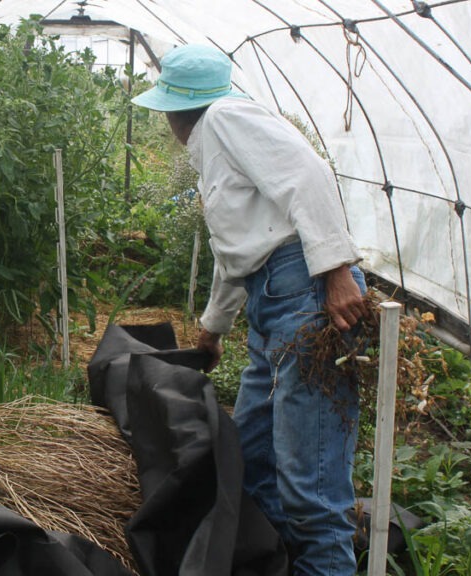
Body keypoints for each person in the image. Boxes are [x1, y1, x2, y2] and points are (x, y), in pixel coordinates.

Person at [132, 44, 370, 575]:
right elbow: (237, 250)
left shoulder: (226, 116)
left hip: (305, 299)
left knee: (311, 490)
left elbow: (308, 175)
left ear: (174, 110)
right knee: (256, 461)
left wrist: (334, 271)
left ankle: (324, 564)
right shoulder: (215, 144)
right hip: (273, 304)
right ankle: (277, 564)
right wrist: (213, 330)